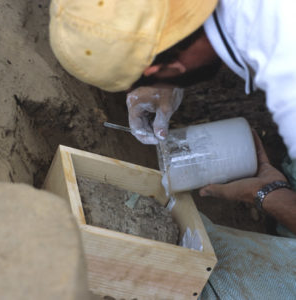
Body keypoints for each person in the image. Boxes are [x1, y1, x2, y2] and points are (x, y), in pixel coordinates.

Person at [49, 0, 296, 298]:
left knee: (201, 282)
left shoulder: (287, 71)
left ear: (167, 65)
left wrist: (265, 195)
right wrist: (169, 82)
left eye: (142, 78)